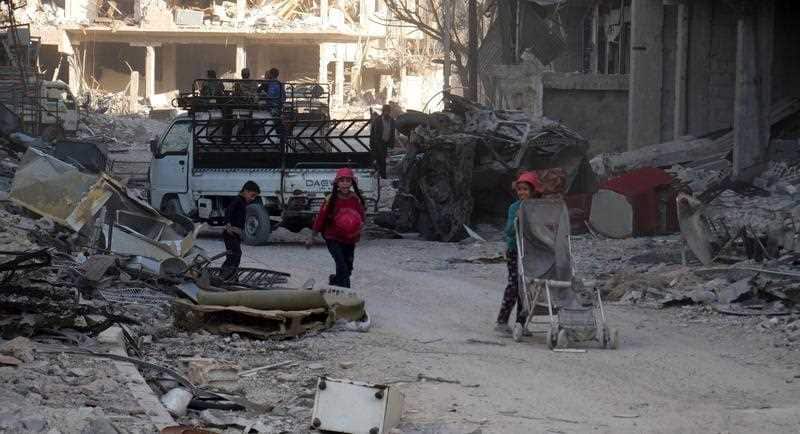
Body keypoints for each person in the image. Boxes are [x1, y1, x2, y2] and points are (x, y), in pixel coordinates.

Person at [495, 171, 542, 334]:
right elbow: (508, 231)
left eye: (525, 189)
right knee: (515, 286)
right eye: (519, 189)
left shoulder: (539, 208)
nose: (522, 192)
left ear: (533, 191)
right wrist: (517, 218)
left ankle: (521, 324)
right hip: (515, 250)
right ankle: (502, 321)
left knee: (527, 287)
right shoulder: (514, 207)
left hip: (531, 252)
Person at [306, 168, 366, 288]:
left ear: (352, 183)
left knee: (348, 268)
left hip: (349, 239)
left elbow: (361, 217)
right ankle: (346, 292)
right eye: (342, 181)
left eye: (348, 181)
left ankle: (335, 281)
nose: (345, 183)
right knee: (342, 265)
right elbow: (321, 218)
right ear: (337, 183)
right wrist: (312, 236)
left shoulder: (355, 199)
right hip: (332, 237)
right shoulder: (330, 199)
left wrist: (359, 228)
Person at [221, 181, 261, 280]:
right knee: (234, 254)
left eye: (255, 196)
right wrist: (228, 224)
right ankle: (225, 274)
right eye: (252, 195)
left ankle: (231, 275)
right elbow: (228, 211)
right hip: (230, 233)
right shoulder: (237, 200)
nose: (253, 198)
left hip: (235, 234)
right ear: (245, 191)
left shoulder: (242, 202)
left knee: (235, 255)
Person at [369, 104, 395, 178]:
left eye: (388, 111)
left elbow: (392, 133)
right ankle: (382, 175)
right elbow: (373, 133)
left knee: (382, 159)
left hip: (386, 142)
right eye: (385, 111)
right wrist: (371, 143)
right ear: (383, 111)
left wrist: (391, 143)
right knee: (381, 159)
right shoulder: (378, 120)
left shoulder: (392, 121)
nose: (387, 113)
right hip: (378, 142)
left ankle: (380, 174)